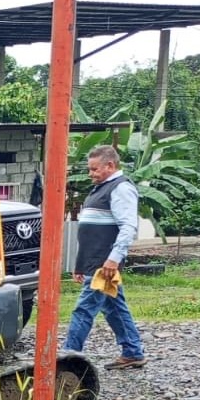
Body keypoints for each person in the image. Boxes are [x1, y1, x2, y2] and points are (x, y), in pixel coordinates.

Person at [63, 144, 145, 369]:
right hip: (94, 261)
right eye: (89, 169)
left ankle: (67, 356)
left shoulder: (121, 189)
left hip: (103, 264)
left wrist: (114, 259)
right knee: (113, 307)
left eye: (94, 169)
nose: (90, 174)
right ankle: (133, 351)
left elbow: (128, 227)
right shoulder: (100, 189)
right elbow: (90, 233)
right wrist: (80, 264)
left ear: (110, 165)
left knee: (84, 309)